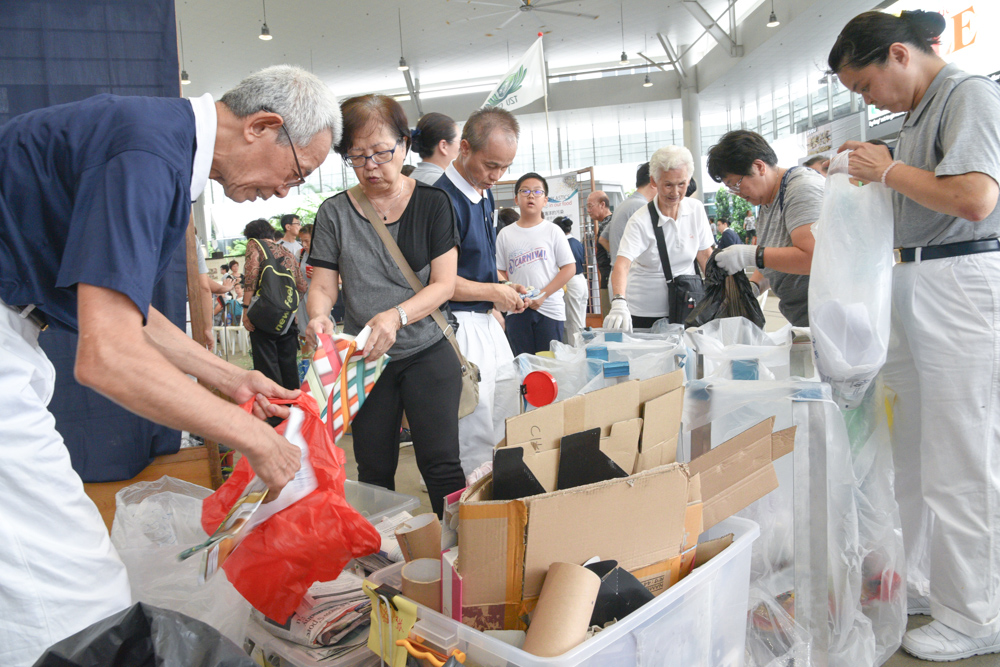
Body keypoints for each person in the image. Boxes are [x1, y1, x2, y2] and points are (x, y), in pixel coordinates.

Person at [0, 64, 335, 666]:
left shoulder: (156, 141)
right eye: (295, 172)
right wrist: (253, 437)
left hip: (16, 331)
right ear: (263, 126)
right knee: (74, 593)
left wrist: (232, 377)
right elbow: (107, 356)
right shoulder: (148, 152)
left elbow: (128, 312)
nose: (286, 193)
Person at [830, 10, 1000, 661]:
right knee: (916, 452)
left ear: (898, 54)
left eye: (866, 86)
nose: (868, 100)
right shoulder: (917, 114)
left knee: (961, 452)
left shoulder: (967, 93)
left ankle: (978, 610)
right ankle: (929, 582)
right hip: (916, 280)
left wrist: (888, 172)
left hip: (960, 280)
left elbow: (975, 197)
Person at [306, 94, 465, 515]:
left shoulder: (433, 203)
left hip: (426, 349)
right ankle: (381, 548)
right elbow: (323, 285)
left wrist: (396, 316)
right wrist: (318, 316)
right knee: (373, 468)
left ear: (405, 145)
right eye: (357, 157)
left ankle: (458, 546)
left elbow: (444, 284)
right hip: (366, 359)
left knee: (441, 463)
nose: (371, 167)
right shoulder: (334, 213)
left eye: (380, 152)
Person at [433, 107, 525, 478]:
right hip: (458, 324)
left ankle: (500, 490)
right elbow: (440, 282)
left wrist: (500, 289)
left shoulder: (482, 194)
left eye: (505, 167)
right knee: (472, 425)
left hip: (486, 319)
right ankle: (471, 500)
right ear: (465, 148)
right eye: (491, 165)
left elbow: (476, 263)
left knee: (504, 410)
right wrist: (493, 291)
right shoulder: (441, 200)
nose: (497, 176)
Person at [707, 130, 823, 327]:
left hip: (828, 317)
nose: (737, 193)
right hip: (805, 318)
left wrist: (751, 255)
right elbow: (775, 261)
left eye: (736, 184)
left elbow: (813, 258)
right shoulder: (767, 201)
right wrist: (752, 287)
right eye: (731, 189)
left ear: (759, 167)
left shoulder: (801, 189)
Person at [603, 146, 713, 331]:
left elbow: (705, 255)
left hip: (686, 303)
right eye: (668, 185)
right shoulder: (640, 220)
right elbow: (622, 264)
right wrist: (619, 301)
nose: (675, 192)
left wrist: (718, 292)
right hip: (645, 311)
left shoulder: (696, 209)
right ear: (654, 181)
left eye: (682, 184)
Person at [496, 173, 575, 355]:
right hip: (517, 309)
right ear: (516, 198)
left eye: (537, 191)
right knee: (523, 364)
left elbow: (569, 268)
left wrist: (543, 295)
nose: (531, 195)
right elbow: (498, 270)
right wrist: (511, 290)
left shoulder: (553, 231)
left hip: (550, 309)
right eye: (525, 191)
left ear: (545, 200)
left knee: (549, 364)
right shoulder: (505, 234)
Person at [241, 218, 308, 390]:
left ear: (250, 236)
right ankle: (293, 403)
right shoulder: (286, 251)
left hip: (264, 315)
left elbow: (251, 277)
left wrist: (246, 309)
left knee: (267, 366)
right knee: (289, 365)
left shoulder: (255, 245)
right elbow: (302, 286)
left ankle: (275, 405)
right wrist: (289, 308)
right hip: (287, 317)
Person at [604, 162, 656, 290]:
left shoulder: (624, 205)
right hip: (631, 278)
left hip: (618, 275)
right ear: (653, 182)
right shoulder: (642, 207)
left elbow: (603, 238)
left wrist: (618, 257)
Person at [555, 215, 589, 343]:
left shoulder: (563, 244)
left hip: (571, 281)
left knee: (572, 320)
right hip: (582, 280)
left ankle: (574, 349)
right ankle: (581, 346)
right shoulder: (576, 242)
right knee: (581, 318)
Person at [409, 111, 460, 186]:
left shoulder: (410, 179)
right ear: (443, 146)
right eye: (459, 141)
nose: (461, 148)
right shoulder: (446, 185)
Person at [589, 191, 613, 314]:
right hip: (607, 276)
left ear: (602, 205)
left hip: (611, 277)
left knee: (610, 316)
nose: (588, 210)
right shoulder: (607, 223)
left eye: (590, 206)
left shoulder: (611, 223)